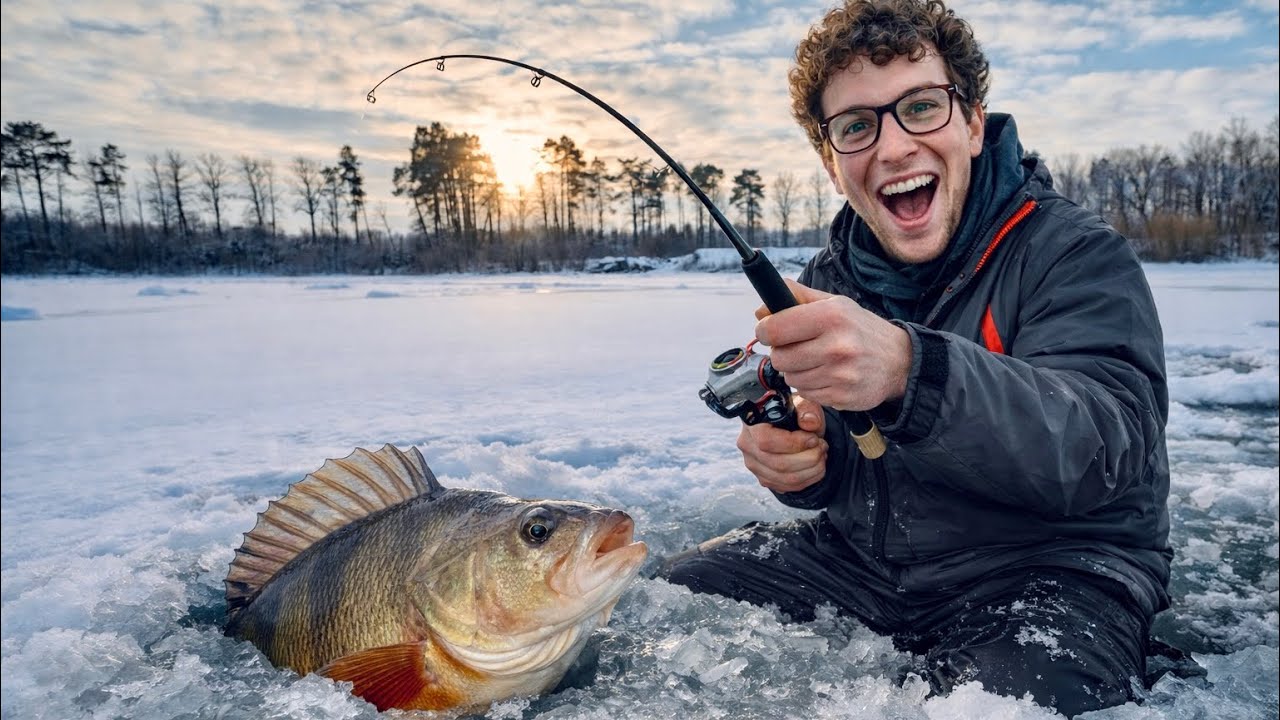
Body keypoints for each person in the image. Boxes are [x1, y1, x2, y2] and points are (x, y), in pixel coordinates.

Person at [659, 0, 1171, 716]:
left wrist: (911, 369)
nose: (894, 147)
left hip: (1053, 571)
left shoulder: (1073, 253)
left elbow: (1099, 450)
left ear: (969, 122)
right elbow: (852, 462)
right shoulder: (830, 279)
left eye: (921, 107)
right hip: (872, 569)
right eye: (857, 127)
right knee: (665, 595)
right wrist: (804, 468)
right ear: (834, 166)